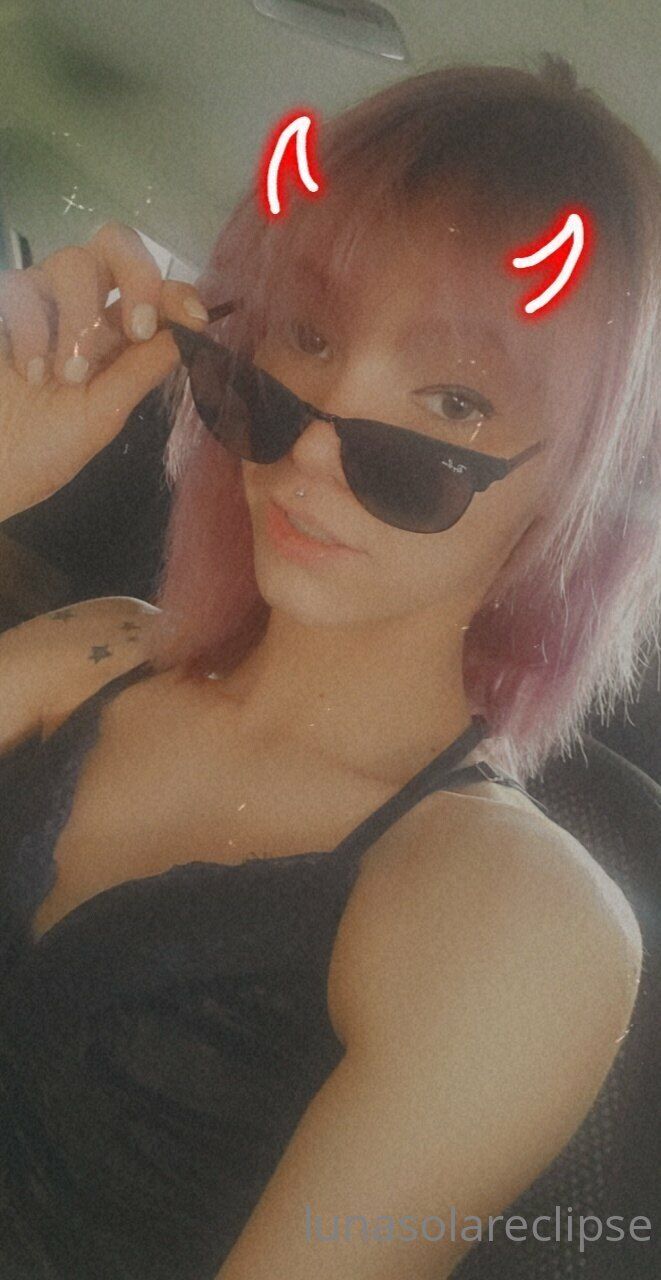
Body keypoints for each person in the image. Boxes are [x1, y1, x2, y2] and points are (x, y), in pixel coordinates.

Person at [0, 51, 658, 1280]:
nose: (309, 446)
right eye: (306, 334)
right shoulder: (92, 651)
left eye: (455, 403)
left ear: (573, 491)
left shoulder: (510, 911)